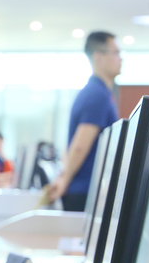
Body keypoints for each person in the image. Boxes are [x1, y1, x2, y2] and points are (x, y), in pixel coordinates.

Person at [48, 31, 121, 211]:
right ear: (98, 57)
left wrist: (63, 176)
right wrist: (65, 180)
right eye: (116, 53)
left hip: (82, 190)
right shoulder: (97, 95)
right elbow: (80, 146)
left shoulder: (93, 92)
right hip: (85, 192)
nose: (121, 58)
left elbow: (73, 146)